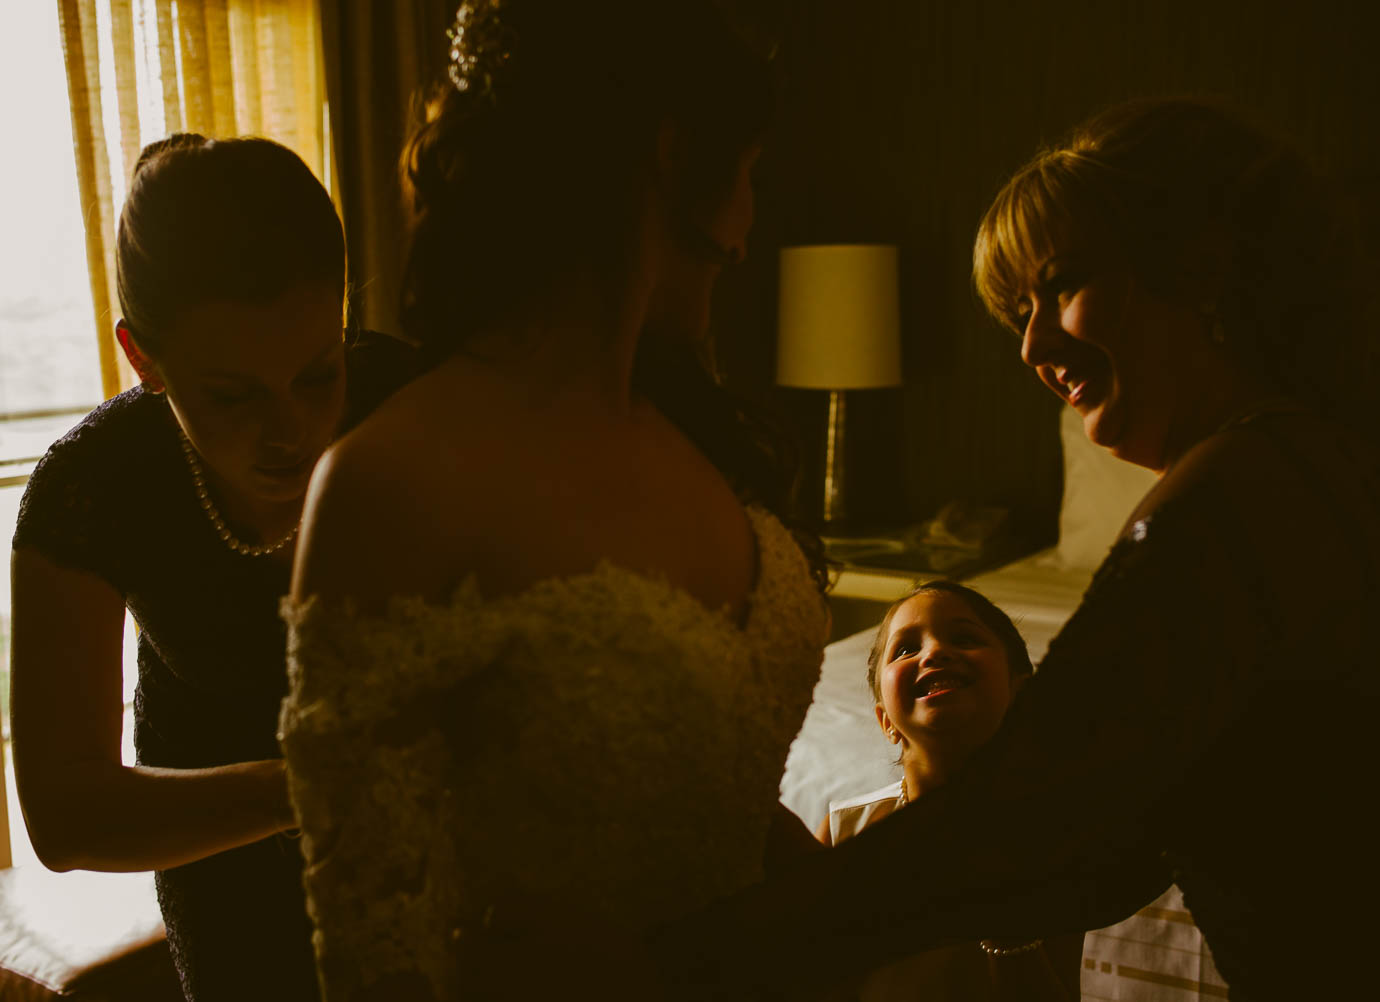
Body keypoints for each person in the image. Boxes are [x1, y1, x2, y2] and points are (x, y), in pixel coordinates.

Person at [648, 96, 1379, 1000]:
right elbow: (1103, 853)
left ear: (1198, 264)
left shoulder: (1234, 503)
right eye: (1018, 312)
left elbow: (1028, 829)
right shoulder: (1317, 460)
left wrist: (689, 956)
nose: (1033, 345)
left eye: (1061, 284)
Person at [277, 1, 830, 998]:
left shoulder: (699, 434)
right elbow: (374, 953)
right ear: (670, 158)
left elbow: (726, 800)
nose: (748, 228)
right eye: (747, 172)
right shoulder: (394, 480)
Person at [10, 134, 416, 1001]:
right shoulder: (93, 487)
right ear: (141, 358)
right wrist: (307, 787)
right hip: (219, 859)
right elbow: (63, 816)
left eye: (318, 374)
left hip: (424, 839)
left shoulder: (412, 407)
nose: (290, 431)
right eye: (232, 396)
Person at [816, 581, 1080, 1001]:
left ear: (1021, 694)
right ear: (886, 722)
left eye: (964, 638)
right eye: (905, 650)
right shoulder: (846, 833)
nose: (934, 651)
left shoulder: (1050, 840)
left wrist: (1006, 918)